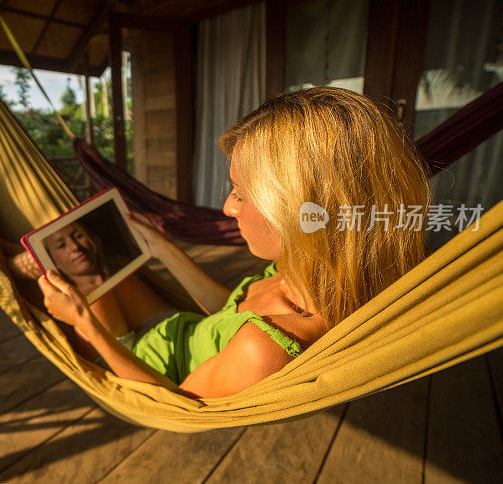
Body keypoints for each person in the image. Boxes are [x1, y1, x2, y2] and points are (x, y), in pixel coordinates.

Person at [37, 87, 430, 399]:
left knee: (80, 277)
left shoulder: (263, 349)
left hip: (138, 364)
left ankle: (18, 261)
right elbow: (230, 314)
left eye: (239, 193)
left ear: (293, 208)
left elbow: (177, 402)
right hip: (179, 330)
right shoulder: (303, 271)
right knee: (104, 269)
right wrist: (164, 249)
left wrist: (84, 323)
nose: (227, 208)